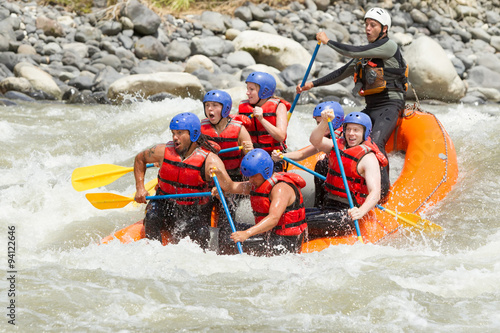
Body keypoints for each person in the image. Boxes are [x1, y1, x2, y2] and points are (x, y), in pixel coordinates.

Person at [297, 7, 408, 202]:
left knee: (375, 142)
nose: (367, 28)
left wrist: (328, 41)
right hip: (372, 107)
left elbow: (352, 51)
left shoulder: (388, 47)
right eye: (366, 24)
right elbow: (340, 73)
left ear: (384, 29)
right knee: (347, 142)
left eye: (372, 25)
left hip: (390, 104)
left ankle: (382, 195)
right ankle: (337, 192)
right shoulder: (365, 57)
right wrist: (311, 84)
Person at [133, 112, 232, 248]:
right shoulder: (162, 151)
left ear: (193, 134)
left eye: (180, 133)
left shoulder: (210, 160)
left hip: (194, 209)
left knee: (201, 232)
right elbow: (139, 159)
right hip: (165, 204)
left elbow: (229, 187)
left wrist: (219, 189)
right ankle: (154, 253)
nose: (175, 137)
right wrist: (140, 188)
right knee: (151, 218)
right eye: (173, 133)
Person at [213, 148, 308, 256]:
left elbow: (273, 218)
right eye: (249, 176)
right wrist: (219, 175)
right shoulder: (258, 183)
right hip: (269, 234)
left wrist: (246, 233)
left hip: (286, 241)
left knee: (230, 243)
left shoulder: (280, 189)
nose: (250, 180)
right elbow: (231, 187)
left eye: (253, 176)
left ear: (265, 171)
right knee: (227, 233)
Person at [307, 110, 388, 236]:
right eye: (348, 129)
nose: (351, 133)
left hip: (347, 213)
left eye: (356, 130)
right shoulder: (338, 145)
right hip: (329, 205)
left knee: (298, 220)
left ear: (365, 133)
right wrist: (324, 121)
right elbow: (315, 140)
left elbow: (375, 193)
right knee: (294, 214)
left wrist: (360, 212)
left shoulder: (368, 158)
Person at [271, 101, 344, 208]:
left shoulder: (344, 138)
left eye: (322, 123)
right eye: (318, 123)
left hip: (345, 183)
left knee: (322, 165)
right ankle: (319, 205)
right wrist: (282, 156)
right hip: (334, 181)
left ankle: (322, 205)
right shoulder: (326, 138)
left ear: (335, 121)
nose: (320, 127)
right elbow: (302, 154)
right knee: (322, 165)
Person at [238, 71, 290, 172]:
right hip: (251, 156)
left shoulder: (279, 106)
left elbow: (280, 136)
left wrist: (261, 119)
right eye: (247, 89)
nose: (247, 93)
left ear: (264, 91)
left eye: (251, 89)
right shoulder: (243, 107)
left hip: (273, 157)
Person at [201, 90, 253, 181]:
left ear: (225, 108)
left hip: (235, 177)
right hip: (213, 177)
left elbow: (251, 158)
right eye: (207, 105)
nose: (209, 108)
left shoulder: (239, 129)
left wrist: (249, 151)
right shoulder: (201, 129)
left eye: (214, 105)